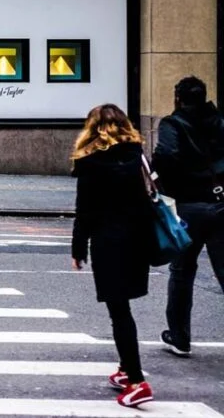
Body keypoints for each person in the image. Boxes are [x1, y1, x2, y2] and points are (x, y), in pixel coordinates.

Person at [69, 104, 155, 407]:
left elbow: (85, 211)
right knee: (123, 306)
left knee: (119, 312)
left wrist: (78, 249)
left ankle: (136, 380)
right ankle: (124, 368)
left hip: (108, 242)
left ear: (92, 128)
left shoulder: (91, 162)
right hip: (138, 240)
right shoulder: (138, 155)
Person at [153, 76, 224, 357]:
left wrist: (167, 184)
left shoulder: (173, 124)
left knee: (182, 271)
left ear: (178, 98)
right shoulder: (219, 122)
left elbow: (166, 156)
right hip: (220, 202)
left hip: (189, 206)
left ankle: (180, 336)